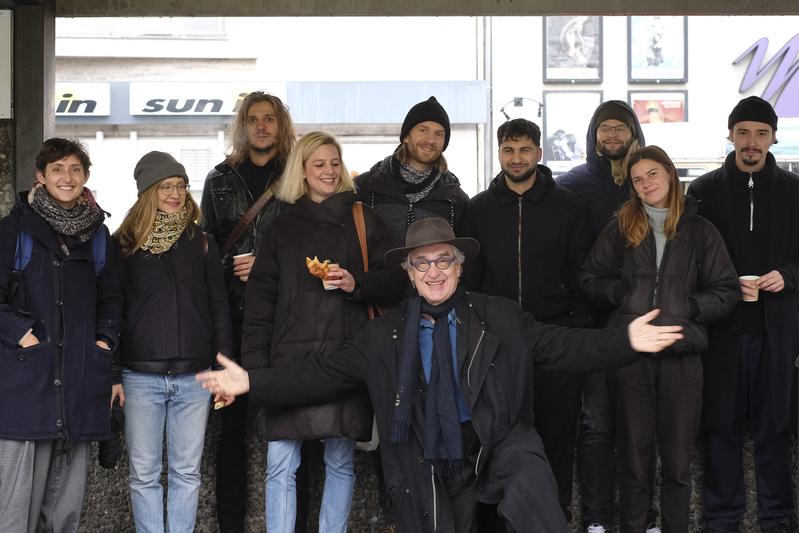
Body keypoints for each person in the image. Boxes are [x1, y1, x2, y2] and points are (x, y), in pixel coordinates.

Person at [200, 217, 686, 533]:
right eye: (422, 264)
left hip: (496, 443)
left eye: (443, 261)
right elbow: (321, 373)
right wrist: (252, 382)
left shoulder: (499, 317)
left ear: (459, 266)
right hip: (422, 456)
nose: (434, 272)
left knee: (533, 489)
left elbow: (563, 346)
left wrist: (624, 341)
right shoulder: (383, 335)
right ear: (409, 274)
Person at [241, 132, 404, 533]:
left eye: (334, 162)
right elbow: (259, 307)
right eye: (319, 164)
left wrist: (356, 283)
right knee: (281, 463)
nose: (329, 171)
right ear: (302, 170)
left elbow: (398, 282)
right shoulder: (279, 228)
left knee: (340, 461)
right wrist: (254, 373)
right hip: (288, 361)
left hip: (346, 358)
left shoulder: (364, 219)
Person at [580, 145, 739, 533]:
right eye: (637, 179)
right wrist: (622, 296)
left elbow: (727, 289)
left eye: (652, 174)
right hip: (632, 355)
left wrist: (686, 309)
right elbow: (588, 278)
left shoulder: (700, 230)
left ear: (670, 174)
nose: (646, 184)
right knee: (633, 461)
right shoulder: (622, 226)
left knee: (678, 465)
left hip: (682, 355)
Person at [462, 118, 593, 522]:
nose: (516, 158)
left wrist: (575, 335)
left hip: (554, 337)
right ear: (498, 153)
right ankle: (502, 519)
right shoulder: (477, 209)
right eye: (508, 149)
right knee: (499, 435)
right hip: (497, 345)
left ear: (538, 152)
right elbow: (469, 280)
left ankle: (554, 515)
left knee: (557, 435)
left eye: (524, 149)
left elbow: (581, 275)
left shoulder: (567, 206)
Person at [687, 96, 799, 533]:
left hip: (778, 332)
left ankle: (777, 519)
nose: (752, 142)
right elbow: (687, 260)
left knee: (775, 429)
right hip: (721, 331)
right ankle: (721, 519)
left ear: (774, 137)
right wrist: (722, 284)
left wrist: (787, 276)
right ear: (730, 134)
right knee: (721, 428)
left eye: (761, 134)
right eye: (744, 132)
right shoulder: (703, 190)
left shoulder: (795, 191)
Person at [0, 138, 123, 532]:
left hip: (80, 382)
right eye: (57, 169)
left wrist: (103, 344)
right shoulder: (12, 231)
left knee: (66, 511)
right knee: (15, 511)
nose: (66, 177)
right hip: (26, 385)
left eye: (74, 170)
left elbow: (113, 301)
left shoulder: (100, 236)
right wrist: (25, 336)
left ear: (86, 177)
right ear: (40, 175)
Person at [114, 151, 233, 533]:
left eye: (181, 185)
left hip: (194, 377)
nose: (176, 193)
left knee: (187, 473)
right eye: (166, 186)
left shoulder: (201, 242)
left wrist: (225, 366)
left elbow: (218, 304)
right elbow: (111, 312)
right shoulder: (124, 244)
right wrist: (112, 372)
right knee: (144, 475)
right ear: (148, 191)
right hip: (140, 376)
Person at [557, 100, 658, 533]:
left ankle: (645, 519)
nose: (612, 135)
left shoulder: (650, 181)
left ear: (634, 131)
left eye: (620, 127)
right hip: (592, 326)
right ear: (594, 135)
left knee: (640, 427)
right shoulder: (573, 185)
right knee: (595, 425)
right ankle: (596, 518)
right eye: (604, 128)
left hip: (646, 324)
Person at [200, 91, 296, 533]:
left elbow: (318, 247)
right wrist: (228, 265)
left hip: (287, 320)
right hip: (235, 321)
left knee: (295, 428)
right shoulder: (218, 180)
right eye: (254, 119)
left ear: (281, 126)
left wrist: (269, 266)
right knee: (231, 431)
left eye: (269, 119)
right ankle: (230, 526)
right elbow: (204, 252)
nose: (262, 126)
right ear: (243, 126)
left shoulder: (299, 175)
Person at [355, 96, 469, 249]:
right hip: (376, 274)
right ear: (406, 136)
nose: (431, 140)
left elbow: (464, 260)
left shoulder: (455, 199)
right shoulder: (366, 186)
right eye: (423, 130)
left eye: (439, 134)